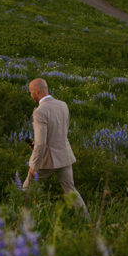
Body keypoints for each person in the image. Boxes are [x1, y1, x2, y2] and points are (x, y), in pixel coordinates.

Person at [23, 77, 89, 219]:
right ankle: (87, 221)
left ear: (37, 92)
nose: (31, 95)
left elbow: (40, 144)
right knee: (71, 191)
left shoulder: (40, 111)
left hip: (48, 159)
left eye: (31, 92)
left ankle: (22, 221)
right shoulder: (62, 105)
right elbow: (62, 131)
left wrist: (33, 166)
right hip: (64, 156)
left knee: (27, 190)